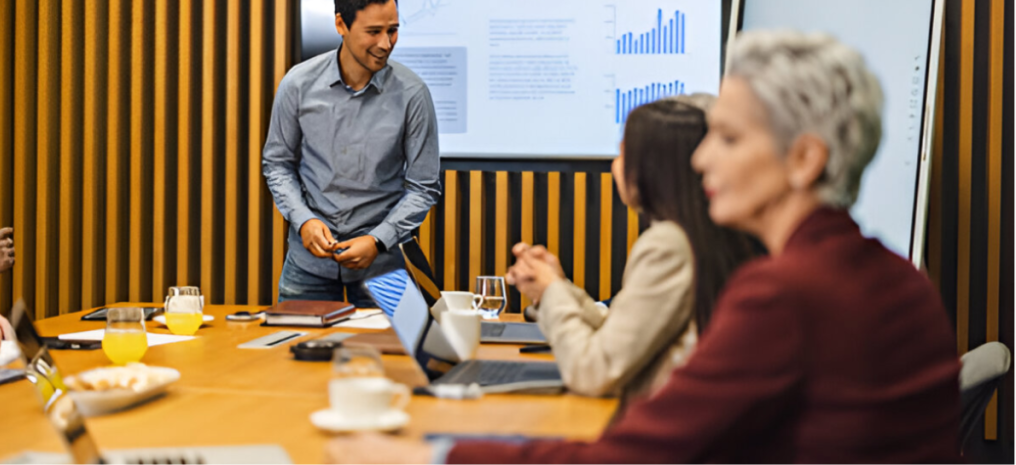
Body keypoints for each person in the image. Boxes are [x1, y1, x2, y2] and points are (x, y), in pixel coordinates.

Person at [326, 30, 961, 463]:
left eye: (730, 139)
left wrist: (430, 453)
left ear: (804, 158)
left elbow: (629, 456)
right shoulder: (895, 277)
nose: (703, 158)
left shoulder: (787, 295)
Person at [506, 96, 760, 403]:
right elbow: (622, 335)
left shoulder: (668, 244)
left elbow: (592, 372)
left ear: (652, 168)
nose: (614, 165)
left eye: (622, 152)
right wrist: (556, 287)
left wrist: (551, 293)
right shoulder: (698, 234)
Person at [263, 0, 440, 307]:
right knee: (296, 358)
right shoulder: (298, 85)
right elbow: (277, 164)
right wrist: (304, 220)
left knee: (392, 359)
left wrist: (377, 240)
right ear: (341, 24)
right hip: (307, 268)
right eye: (374, 32)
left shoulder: (413, 94)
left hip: (385, 267)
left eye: (393, 30)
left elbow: (424, 188)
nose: (386, 43)